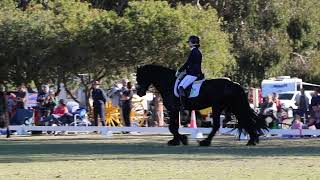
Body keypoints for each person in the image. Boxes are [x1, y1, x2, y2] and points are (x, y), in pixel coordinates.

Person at [176, 35, 203, 109]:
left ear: (193, 42)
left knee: (181, 87)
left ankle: (183, 105)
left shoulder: (194, 51)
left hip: (193, 74)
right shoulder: (198, 51)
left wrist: (180, 70)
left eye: (189, 42)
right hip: (195, 73)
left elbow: (188, 63)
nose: (188, 44)